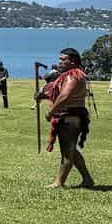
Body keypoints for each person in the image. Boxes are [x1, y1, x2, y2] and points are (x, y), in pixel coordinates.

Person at [37, 47, 95, 189]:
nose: (60, 62)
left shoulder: (73, 75)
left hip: (70, 118)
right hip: (72, 116)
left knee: (67, 152)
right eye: (60, 59)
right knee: (72, 151)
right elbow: (57, 92)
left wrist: (51, 112)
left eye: (63, 59)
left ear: (73, 61)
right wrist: (42, 94)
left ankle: (59, 182)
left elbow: (64, 96)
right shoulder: (72, 75)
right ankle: (87, 179)